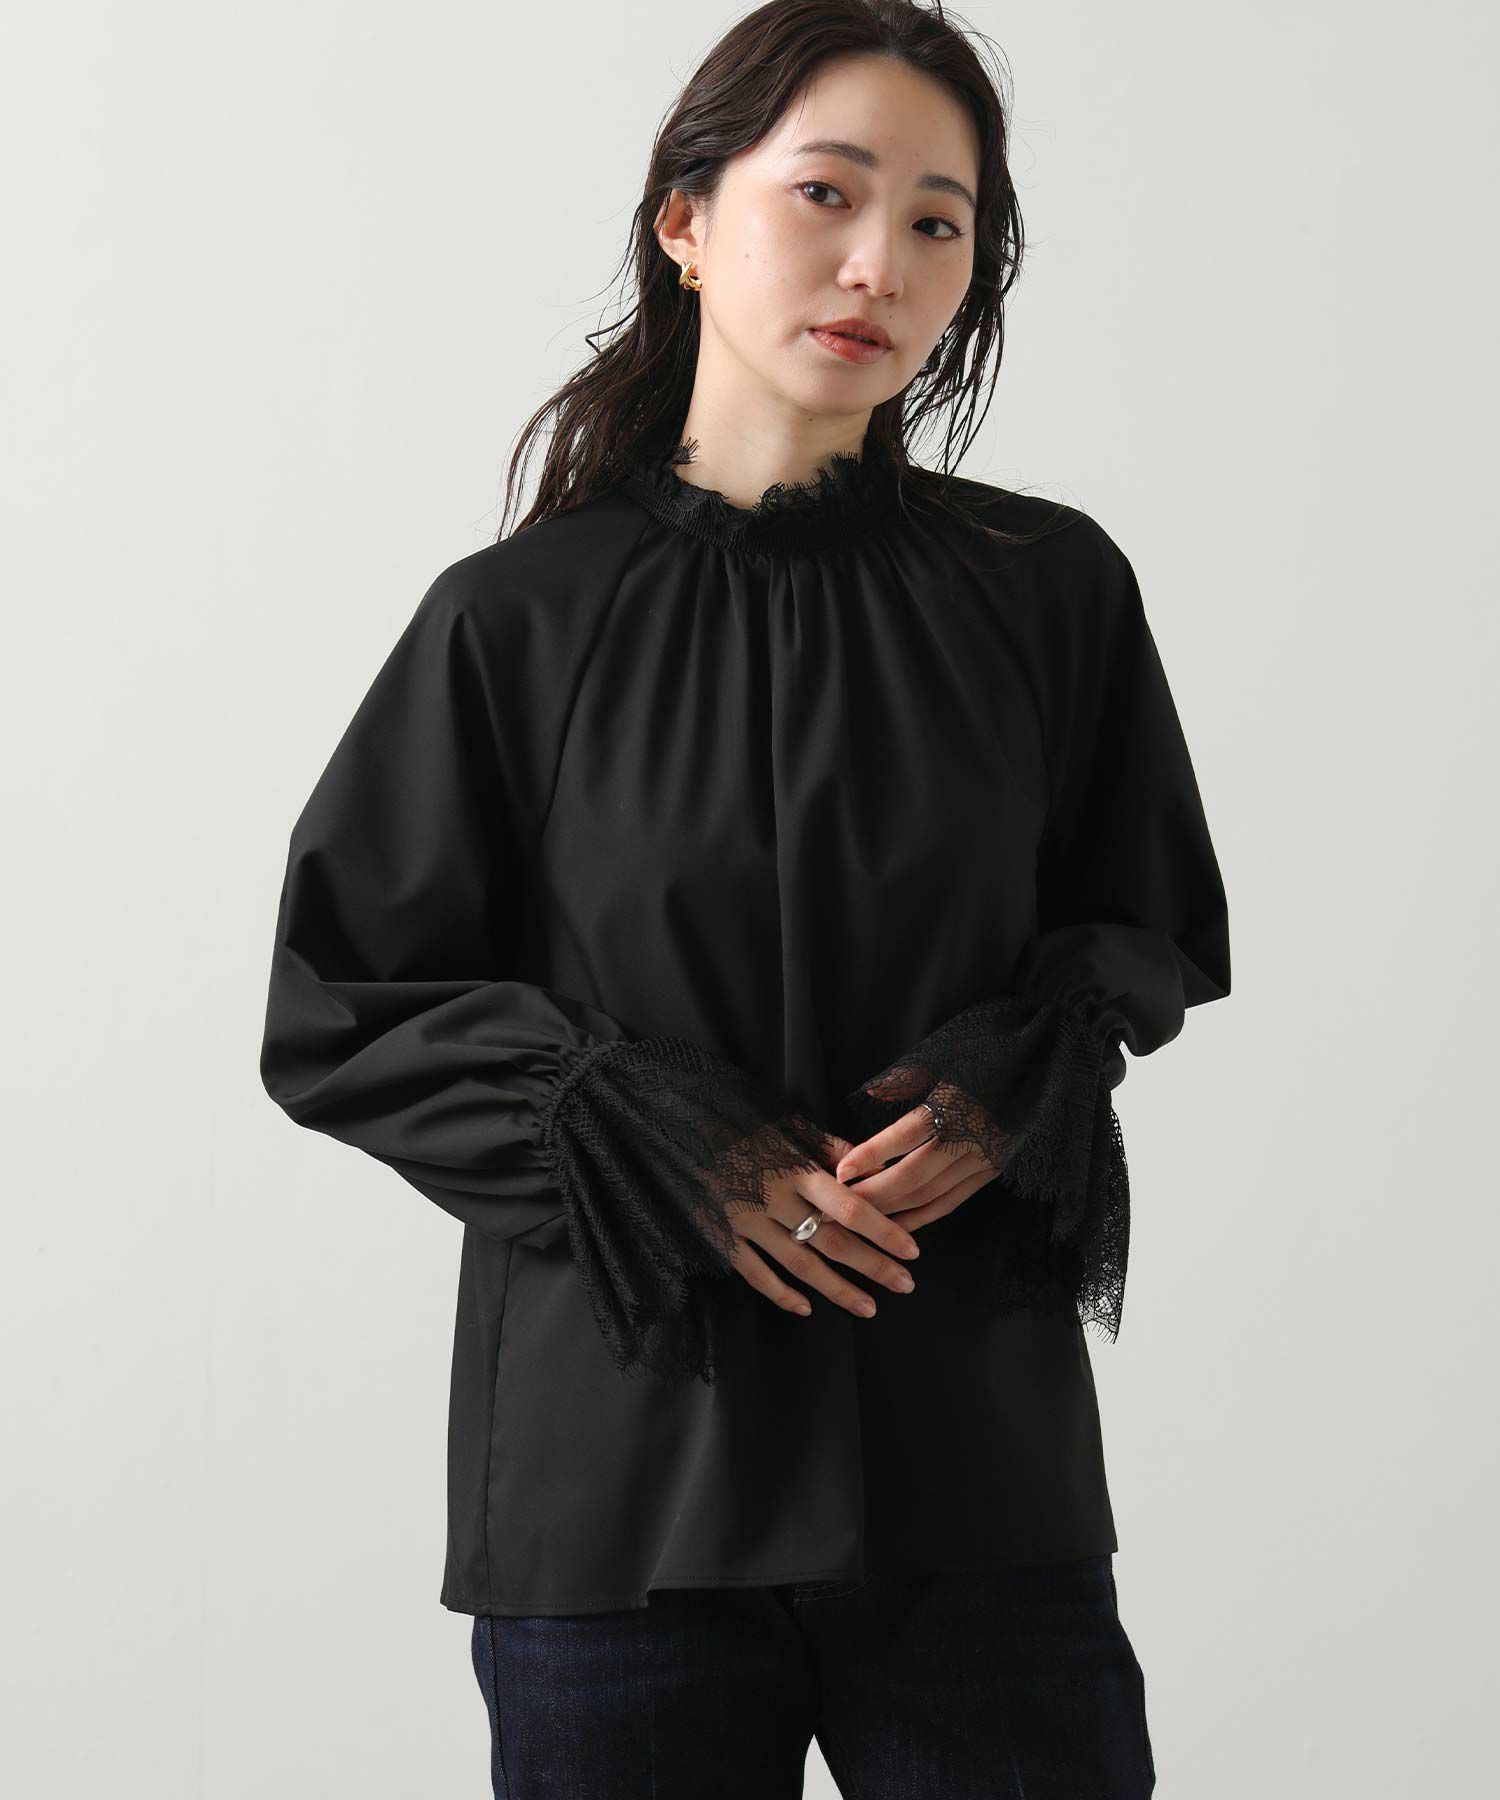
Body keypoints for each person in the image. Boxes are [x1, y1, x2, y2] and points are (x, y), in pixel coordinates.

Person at [257, 2, 1230, 1794]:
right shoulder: (512, 622)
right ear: (688, 222)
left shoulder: (1049, 591)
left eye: (938, 222)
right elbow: (345, 1006)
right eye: (826, 194)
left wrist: (1009, 1079)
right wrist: (651, 1137)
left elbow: (1141, 924)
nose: (880, 265)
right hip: (624, 1503)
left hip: (976, 1483)